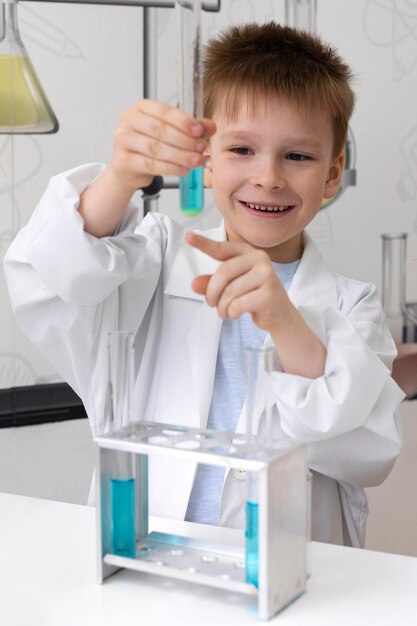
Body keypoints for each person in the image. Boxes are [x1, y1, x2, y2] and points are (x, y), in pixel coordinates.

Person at [3, 22, 404, 548]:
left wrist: (284, 319)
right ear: (204, 162)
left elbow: (367, 450)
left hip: (285, 577)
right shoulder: (158, 259)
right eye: (241, 149)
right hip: (146, 559)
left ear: (332, 175)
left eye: (298, 156)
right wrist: (122, 176)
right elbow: (52, 273)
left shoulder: (354, 307)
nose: (268, 177)